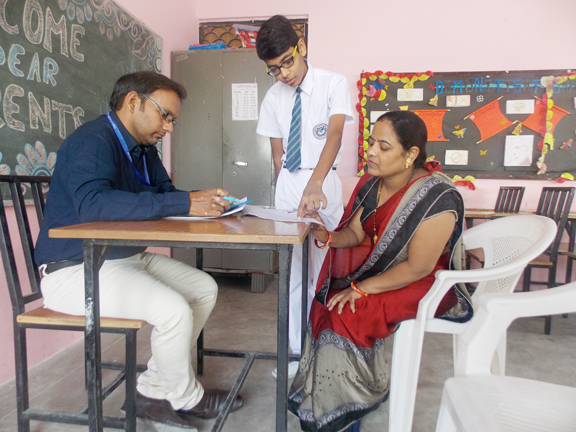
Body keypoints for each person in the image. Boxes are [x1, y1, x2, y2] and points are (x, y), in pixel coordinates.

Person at [35, 71, 243, 429]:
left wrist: (199, 201)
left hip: (121, 258)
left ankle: (152, 389)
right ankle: (186, 397)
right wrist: (183, 203)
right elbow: (93, 205)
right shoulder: (92, 141)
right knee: (174, 310)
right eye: (166, 116)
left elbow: (166, 195)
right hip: (74, 268)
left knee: (204, 288)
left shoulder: (143, 150)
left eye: (173, 119)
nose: (169, 128)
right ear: (133, 102)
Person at [287, 111, 472, 432]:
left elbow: (419, 266)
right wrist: (326, 235)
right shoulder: (375, 184)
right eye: (371, 142)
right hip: (388, 273)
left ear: (411, 154)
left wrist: (360, 289)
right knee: (326, 300)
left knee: (349, 310)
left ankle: (351, 404)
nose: (371, 151)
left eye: (383, 147)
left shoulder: (437, 197)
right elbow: (356, 234)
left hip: (427, 282)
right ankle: (331, 398)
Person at [255, 15, 355, 377]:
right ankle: (297, 354)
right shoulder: (273, 97)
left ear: (302, 48)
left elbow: (335, 136)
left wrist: (314, 184)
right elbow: (278, 152)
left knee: (325, 271)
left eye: (288, 62)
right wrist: (288, 186)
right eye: (274, 69)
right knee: (293, 273)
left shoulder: (334, 84)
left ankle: (325, 348)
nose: (284, 74)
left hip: (323, 180)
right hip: (290, 185)